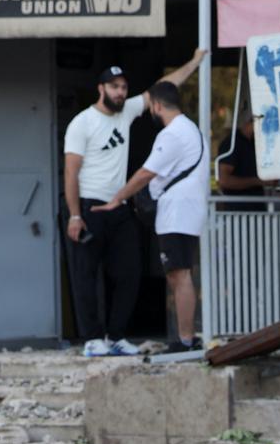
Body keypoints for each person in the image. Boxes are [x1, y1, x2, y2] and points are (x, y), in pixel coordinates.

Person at [63, 49, 206, 356]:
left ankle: (116, 335)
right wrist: (75, 215)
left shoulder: (127, 111)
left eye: (123, 87)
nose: (120, 92)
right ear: (101, 89)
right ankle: (92, 338)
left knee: (129, 271)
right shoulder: (82, 123)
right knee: (86, 274)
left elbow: (163, 89)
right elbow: (71, 172)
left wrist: (193, 63)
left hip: (120, 208)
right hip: (90, 206)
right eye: (114, 86)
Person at [93, 81, 208, 353]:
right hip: (187, 211)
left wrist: (117, 198)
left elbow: (147, 173)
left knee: (179, 275)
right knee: (179, 274)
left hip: (177, 213)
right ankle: (186, 337)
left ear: (156, 105)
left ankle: (185, 340)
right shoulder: (192, 130)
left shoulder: (172, 134)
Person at [217, 114, 267, 211]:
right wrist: (259, 181)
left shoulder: (255, 142)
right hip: (237, 212)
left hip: (257, 210)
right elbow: (224, 181)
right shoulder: (231, 143)